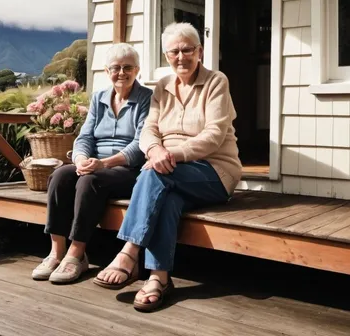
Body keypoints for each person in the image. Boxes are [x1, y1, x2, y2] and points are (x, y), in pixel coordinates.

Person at [94, 22, 242, 311]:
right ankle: (158, 278)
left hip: (214, 171)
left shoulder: (216, 82)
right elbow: (149, 129)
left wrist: (169, 154)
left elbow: (213, 135)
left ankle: (129, 251)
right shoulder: (162, 86)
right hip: (171, 170)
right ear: (166, 55)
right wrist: (154, 148)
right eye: (174, 51)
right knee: (168, 199)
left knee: (153, 172)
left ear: (199, 51)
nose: (181, 57)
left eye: (187, 50)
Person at [32, 43, 152, 284]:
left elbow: (140, 144)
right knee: (61, 176)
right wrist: (80, 159)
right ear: (107, 72)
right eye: (115, 68)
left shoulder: (146, 99)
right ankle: (56, 252)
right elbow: (85, 137)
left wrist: (103, 164)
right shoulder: (99, 98)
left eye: (127, 67)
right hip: (95, 164)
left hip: (127, 170)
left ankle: (76, 254)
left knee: (90, 181)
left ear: (137, 70)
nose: (121, 73)